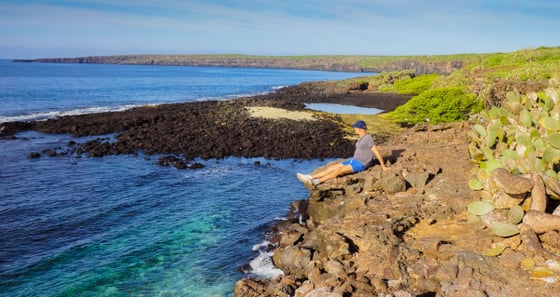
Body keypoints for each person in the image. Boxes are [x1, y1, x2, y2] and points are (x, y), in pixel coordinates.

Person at [297, 120, 388, 186]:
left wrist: (383, 166)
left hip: (361, 164)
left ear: (360, 129)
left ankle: (317, 181)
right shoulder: (361, 138)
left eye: (355, 127)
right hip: (354, 160)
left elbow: (376, 152)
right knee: (332, 167)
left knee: (339, 170)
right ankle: (310, 177)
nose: (354, 129)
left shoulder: (368, 138)